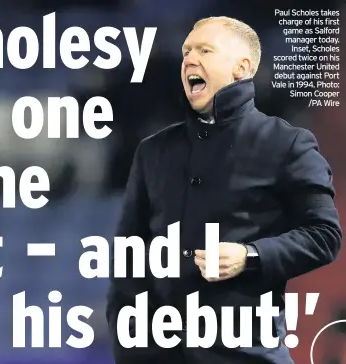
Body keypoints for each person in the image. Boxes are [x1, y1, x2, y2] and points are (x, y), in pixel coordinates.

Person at [106, 16, 343, 364]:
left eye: (205, 50)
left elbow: (324, 236)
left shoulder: (287, 144)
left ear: (240, 68)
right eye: (187, 50)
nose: (189, 58)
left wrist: (251, 256)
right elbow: (128, 265)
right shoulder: (153, 151)